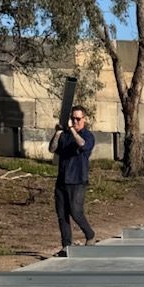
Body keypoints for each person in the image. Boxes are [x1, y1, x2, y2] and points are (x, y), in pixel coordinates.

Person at [49, 105, 97, 252]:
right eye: (73, 118)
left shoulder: (88, 136)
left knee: (76, 211)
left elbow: (82, 145)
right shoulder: (65, 135)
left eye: (78, 119)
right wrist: (58, 133)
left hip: (78, 180)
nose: (75, 121)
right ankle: (66, 246)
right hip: (62, 180)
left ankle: (90, 234)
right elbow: (52, 149)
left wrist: (71, 129)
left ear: (84, 119)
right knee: (62, 214)